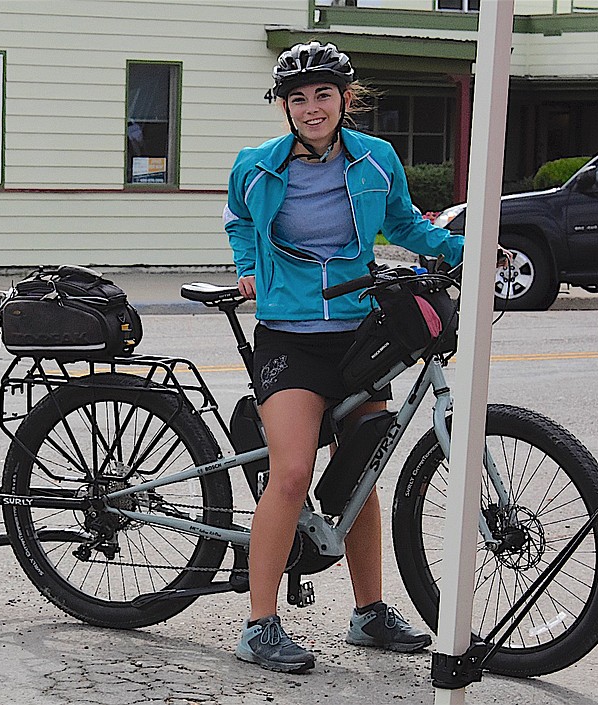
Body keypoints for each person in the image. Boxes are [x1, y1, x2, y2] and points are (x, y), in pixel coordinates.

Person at [223, 41, 465, 674]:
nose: (310, 108)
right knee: (294, 469)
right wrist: (249, 271)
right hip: (289, 336)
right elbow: (239, 224)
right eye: (297, 99)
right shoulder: (255, 167)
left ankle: (369, 612)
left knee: (363, 470)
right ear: (284, 107)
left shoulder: (377, 160)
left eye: (322, 96)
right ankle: (259, 623)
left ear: (344, 100)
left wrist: (465, 247)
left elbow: (407, 226)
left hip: (358, 333)